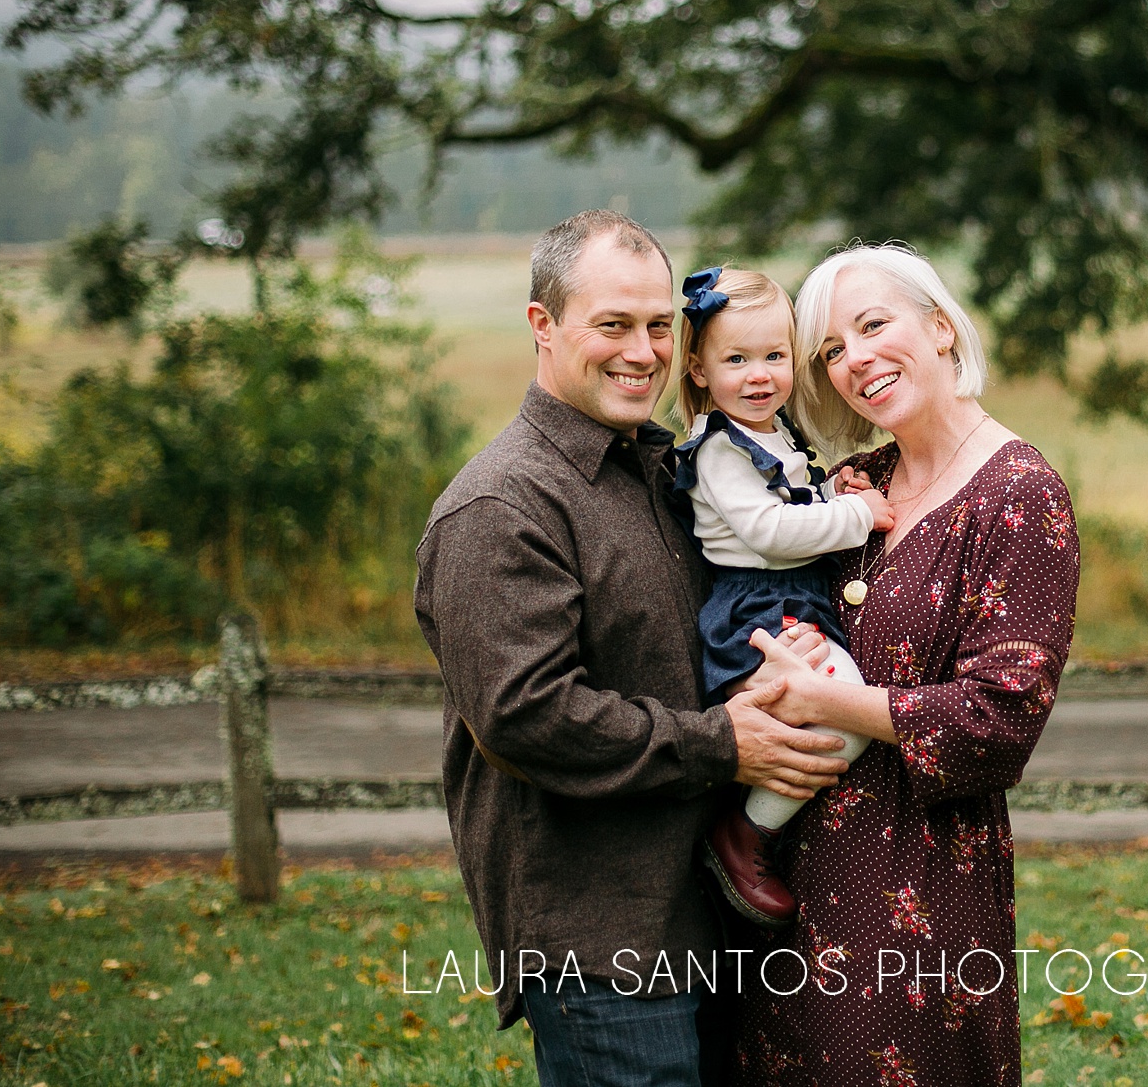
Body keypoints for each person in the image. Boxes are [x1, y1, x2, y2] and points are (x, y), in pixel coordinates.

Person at [413, 210, 851, 1087]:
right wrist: (724, 741)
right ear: (543, 325)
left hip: (703, 914)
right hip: (601, 936)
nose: (642, 351)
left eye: (659, 325)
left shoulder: (664, 470)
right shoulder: (502, 506)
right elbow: (526, 714)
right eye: (613, 324)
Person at [732, 244, 1081, 1087]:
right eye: (831, 350)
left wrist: (828, 699)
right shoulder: (859, 482)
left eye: (873, 325)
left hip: (918, 883)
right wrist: (770, 670)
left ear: (939, 326)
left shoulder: (1020, 493)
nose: (856, 359)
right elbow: (774, 610)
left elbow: (999, 720)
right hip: (785, 869)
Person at [670, 266, 896, 929]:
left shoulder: (776, 432)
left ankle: (755, 819)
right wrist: (861, 517)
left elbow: (790, 504)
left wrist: (834, 494)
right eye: (736, 358)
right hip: (756, 607)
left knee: (833, 705)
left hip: (788, 596)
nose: (759, 373)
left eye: (774, 356)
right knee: (850, 707)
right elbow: (767, 532)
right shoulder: (717, 447)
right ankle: (745, 833)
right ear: (700, 369)